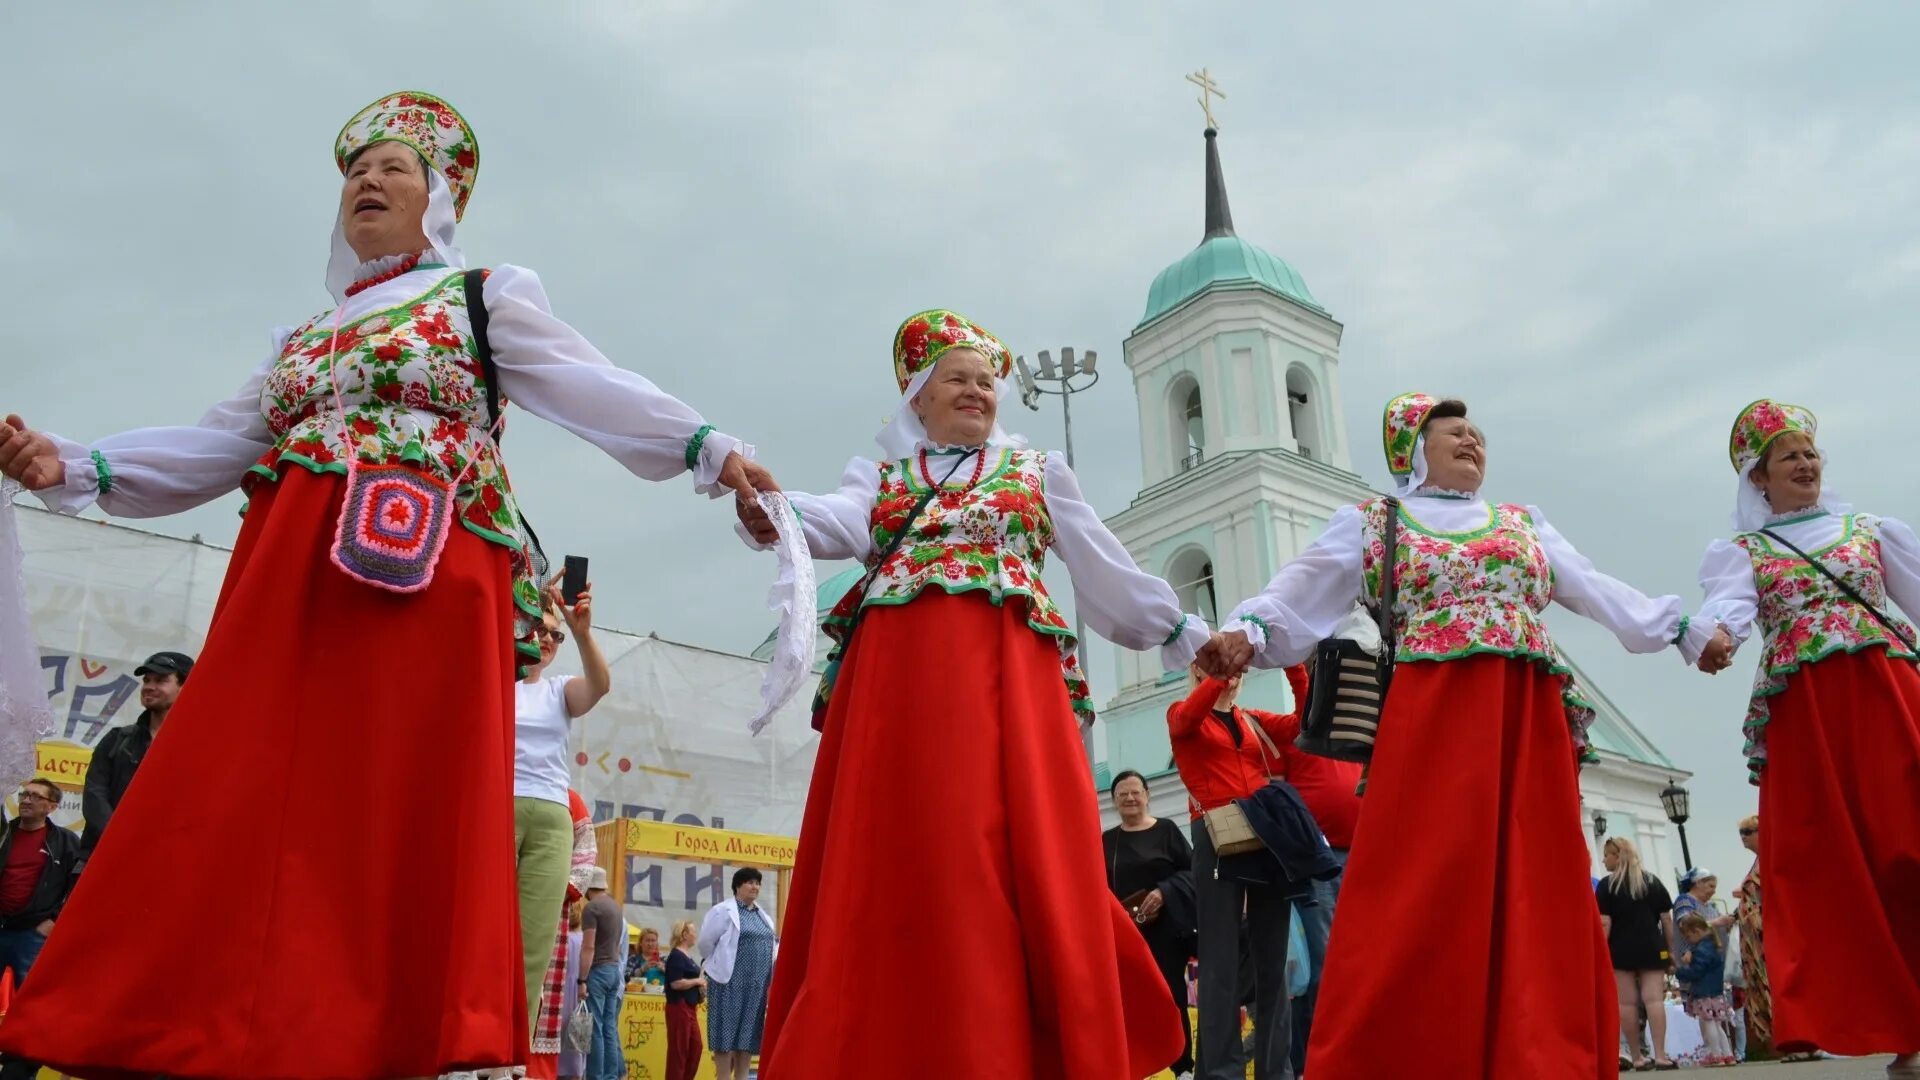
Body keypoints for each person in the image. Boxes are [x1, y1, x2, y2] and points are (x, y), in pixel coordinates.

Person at [0, 89, 778, 1078]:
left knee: (387, 801)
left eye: (394, 168)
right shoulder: (302, 340)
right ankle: (204, 1020)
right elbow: (210, 445)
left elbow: (592, 383)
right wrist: (71, 465)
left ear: (442, 196)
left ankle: (394, 1035)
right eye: (355, 171)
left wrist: (710, 451)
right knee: (241, 786)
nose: (367, 180)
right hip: (286, 580)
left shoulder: (480, 298)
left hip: (418, 582)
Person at [733, 309, 1205, 1077]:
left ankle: (1018, 1042)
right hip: (898, 698)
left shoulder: (1036, 472)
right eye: (957, 378)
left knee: (1009, 855)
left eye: (987, 381)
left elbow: (1106, 575)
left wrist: (1185, 632)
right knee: (905, 853)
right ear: (917, 396)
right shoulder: (882, 480)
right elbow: (835, 520)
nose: (977, 392)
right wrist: (775, 510)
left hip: (1008, 692)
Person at [1200, 393, 1692, 1079]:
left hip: (1525, 711)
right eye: (1455, 433)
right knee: (1427, 876)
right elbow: (1297, 593)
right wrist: (1245, 634)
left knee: (1535, 872)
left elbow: (1596, 589)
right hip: (1433, 713)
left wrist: (1683, 632)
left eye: (1478, 434)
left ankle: (1537, 1053)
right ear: (1413, 449)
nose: (1472, 442)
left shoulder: (1524, 524)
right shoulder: (1375, 522)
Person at [1688, 405, 1920, 1075]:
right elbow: (1727, 610)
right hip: (1809, 716)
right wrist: (1718, 639)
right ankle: (1905, 1029)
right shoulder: (1744, 552)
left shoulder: (1870, 531)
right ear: (1759, 479)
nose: (1805, 463)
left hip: (1887, 695)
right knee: (1839, 867)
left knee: (1908, 844)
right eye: (1788, 455)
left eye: (1810, 451)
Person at [1167, 663, 1315, 1080]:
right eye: (1218, 667)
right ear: (1196, 670)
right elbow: (1188, 719)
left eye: (1237, 668)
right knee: (1219, 959)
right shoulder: (1181, 712)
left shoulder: (1252, 720)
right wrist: (1217, 674)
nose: (1233, 675)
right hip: (1217, 837)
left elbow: (1305, 722)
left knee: (1274, 962)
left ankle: (1276, 1070)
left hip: (1266, 837)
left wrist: (1295, 668)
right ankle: (1219, 1072)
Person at [518, 581, 611, 1043]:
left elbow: (599, 686)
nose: (547, 641)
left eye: (555, 637)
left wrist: (580, 632)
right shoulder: (492, 678)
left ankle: (508, 1048)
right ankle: (462, 1046)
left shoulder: (557, 692)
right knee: (482, 927)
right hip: (497, 807)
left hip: (552, 816)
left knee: (535, 939)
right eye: (540, 630)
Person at [1103, 769, 1196, 1080]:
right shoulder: (1107, 840)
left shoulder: (1167, 831)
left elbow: (1192, 872)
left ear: (1147, 795)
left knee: (1171, 997)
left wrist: (1163, 891)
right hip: (1126, 935)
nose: (1130, 798)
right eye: (1123, 794)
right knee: (1131, 999)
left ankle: (1182, 1065)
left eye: (1135, 792)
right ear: (1114, 801)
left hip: (1166, 933)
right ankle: (1135, 1065)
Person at [0, 778, 80, 1080]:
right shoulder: (4, 834)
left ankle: (17, 1072)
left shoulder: (65, 842)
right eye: (24, 794)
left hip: (31, 936)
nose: (27, 799)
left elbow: (80, 884)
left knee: (29, 1009)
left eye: (36, 796)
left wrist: (56, 919)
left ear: (52, 806)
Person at [79, 649, 191, 858]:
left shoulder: (196, 747)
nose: (149, 687)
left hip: (163, 860)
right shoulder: (118, 739)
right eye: (147, 680)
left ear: (185, 686)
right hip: (105, 857)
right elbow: (94, 795)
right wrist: (117, 840)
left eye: (161, 680)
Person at [530, 788, 599, 1080]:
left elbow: (586, 847)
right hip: (502, 900)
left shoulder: (565, 796)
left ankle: (530, 1068)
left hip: (548, 904)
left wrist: (567, 889)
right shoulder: (499, 781)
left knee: (540, 985)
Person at [1596, 837, 1677, 1071]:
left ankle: (1637, 1056)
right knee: (1654, 1000)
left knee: (1627, 1003)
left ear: (1617, 855)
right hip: (1651, 946)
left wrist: (1601, 951)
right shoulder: (1652, 882)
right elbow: (1666, 919)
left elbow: (1605, 923)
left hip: (1619, 948)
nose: (1604, 859)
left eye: (1607, 855)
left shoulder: (1606, 886)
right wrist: (1670, 950)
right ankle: (1661, 1055)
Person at [699, 867, 777, 1080]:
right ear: (737, 886)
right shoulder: (723, 912)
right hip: (729, 983)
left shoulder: (763, 917)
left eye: (758, 883)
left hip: (756, 986)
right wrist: (716, 967)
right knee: (726, 1035)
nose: (755, 887)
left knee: (748, 1038)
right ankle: (723, 1077)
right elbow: (706, 943)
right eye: (750, 882)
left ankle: (742, 1077)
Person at [1731, 815, 1784, 1062]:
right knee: (1763, 985)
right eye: (1741, 832)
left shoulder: (1773, 857)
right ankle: (1780, 1039)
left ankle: (1789, 1038)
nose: (1743, 837)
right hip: (1754, 938)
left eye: (1748, 831)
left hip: (1768, 935)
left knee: (1773, 983)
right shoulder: (1758, 862)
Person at [579, 867, 628, 1080]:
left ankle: (595, 1076)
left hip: (597, 970)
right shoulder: (615, 907)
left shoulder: (592, 909)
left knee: (595, 1027)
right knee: (609, 1027)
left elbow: (588, 946)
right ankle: (611, 1076)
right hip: (613, 970)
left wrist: (582, 979)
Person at [1675, 914, 1737, 1067]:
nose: (1688, 940)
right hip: (1716, 991)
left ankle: (1716, 1054)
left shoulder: (1701, 949)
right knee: (1717, 1024)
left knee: (1709, 1023)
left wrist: (1680, 971)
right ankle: (1728, 1054)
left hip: (1704, 992)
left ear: (1696, 932)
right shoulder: (1711, 945)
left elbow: (1697, 971)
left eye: (1689, 936)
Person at [664, 919, 707, 1080]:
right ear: (683, 935)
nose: (695, 935)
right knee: (679, 1051)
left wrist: (699, 990)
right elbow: (675, 983)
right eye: (692, 932)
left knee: (695, 1047)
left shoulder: (686, 956)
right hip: (679, 1006)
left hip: (690, 1007)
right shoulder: (676, 956)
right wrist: (697, 981)